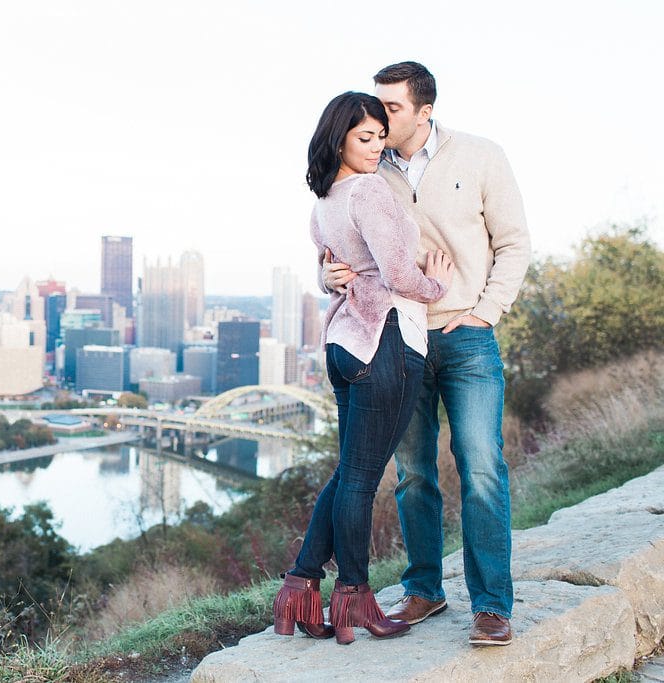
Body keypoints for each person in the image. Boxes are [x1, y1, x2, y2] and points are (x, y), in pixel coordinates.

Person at [322, 62, 531, 646]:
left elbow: (514, 243)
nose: (377, 117)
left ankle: (491, 605)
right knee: (413, 474)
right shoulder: (368, 169)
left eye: (389, 108)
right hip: (398, 340)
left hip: (466, 336)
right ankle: (424, 590)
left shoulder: (481, 155)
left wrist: (486, 310)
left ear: (424, 111)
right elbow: (341, 242)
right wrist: (326, 273)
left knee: (481, 467)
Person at [272, 91, 454, 645]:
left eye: (380, 136)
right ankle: (353, 598)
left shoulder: (324, 200)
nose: (376, 147)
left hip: (343, 341)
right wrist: (438, 285)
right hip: (386, 340)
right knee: (361, 479)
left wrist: (330, 278)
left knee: (348, 471)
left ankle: (299, 590)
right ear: (341, 139)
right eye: (364, 138)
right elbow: (400, 275)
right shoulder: (371, 191)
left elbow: (332, 270)